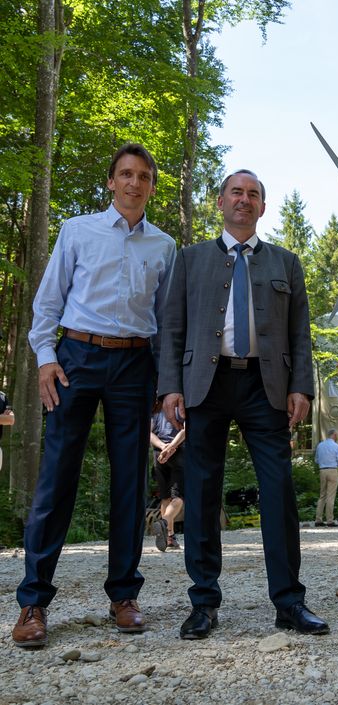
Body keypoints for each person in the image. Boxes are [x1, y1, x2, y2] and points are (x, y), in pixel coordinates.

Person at [12, 143, 176, 648]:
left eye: (143, 176)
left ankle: (124, 596)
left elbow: (167, 324)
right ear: (111, 182)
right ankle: (33, 602)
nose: (133, 183)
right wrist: (45, 358)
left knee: (130, 481)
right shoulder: (77, 231)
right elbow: (48, 302)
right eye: (125, 174)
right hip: (76, 360)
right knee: (56, 479)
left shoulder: (164, 247)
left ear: (151, 186)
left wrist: (164, 381)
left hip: (134, 364)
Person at [158, 168, 328, 640]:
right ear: (221, 202)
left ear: (262, 207)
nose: (245, 200)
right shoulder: (189, 260)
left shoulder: (285, 263)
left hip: (266, 386)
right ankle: (204, 603)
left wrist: (302, 387)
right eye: (237, 192)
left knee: (279, 493)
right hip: (204, 387)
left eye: (254, 194)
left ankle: (289, 602)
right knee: (202, 491)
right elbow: (172, 326)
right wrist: (170, 386)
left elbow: (300, 332)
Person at [150, 401, 185, 551]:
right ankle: (164, 523)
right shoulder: (182, 405)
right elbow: (185, 430)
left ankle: (169, 538)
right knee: (179, 497)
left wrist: (162, 447)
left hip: (158, 454)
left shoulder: (155, 408)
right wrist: (170, 447)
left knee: (165, 497)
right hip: (179, 453)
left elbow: (149, 432)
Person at [314, 428, 338, 527]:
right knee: (330, 496)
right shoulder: (336, 446)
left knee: (322, 495)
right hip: (332, 470)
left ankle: (318, 519)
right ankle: (330, 520)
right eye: (337, 435)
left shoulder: (320, 445)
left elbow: (316, 460)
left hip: (322, 470)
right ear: (334, 435)